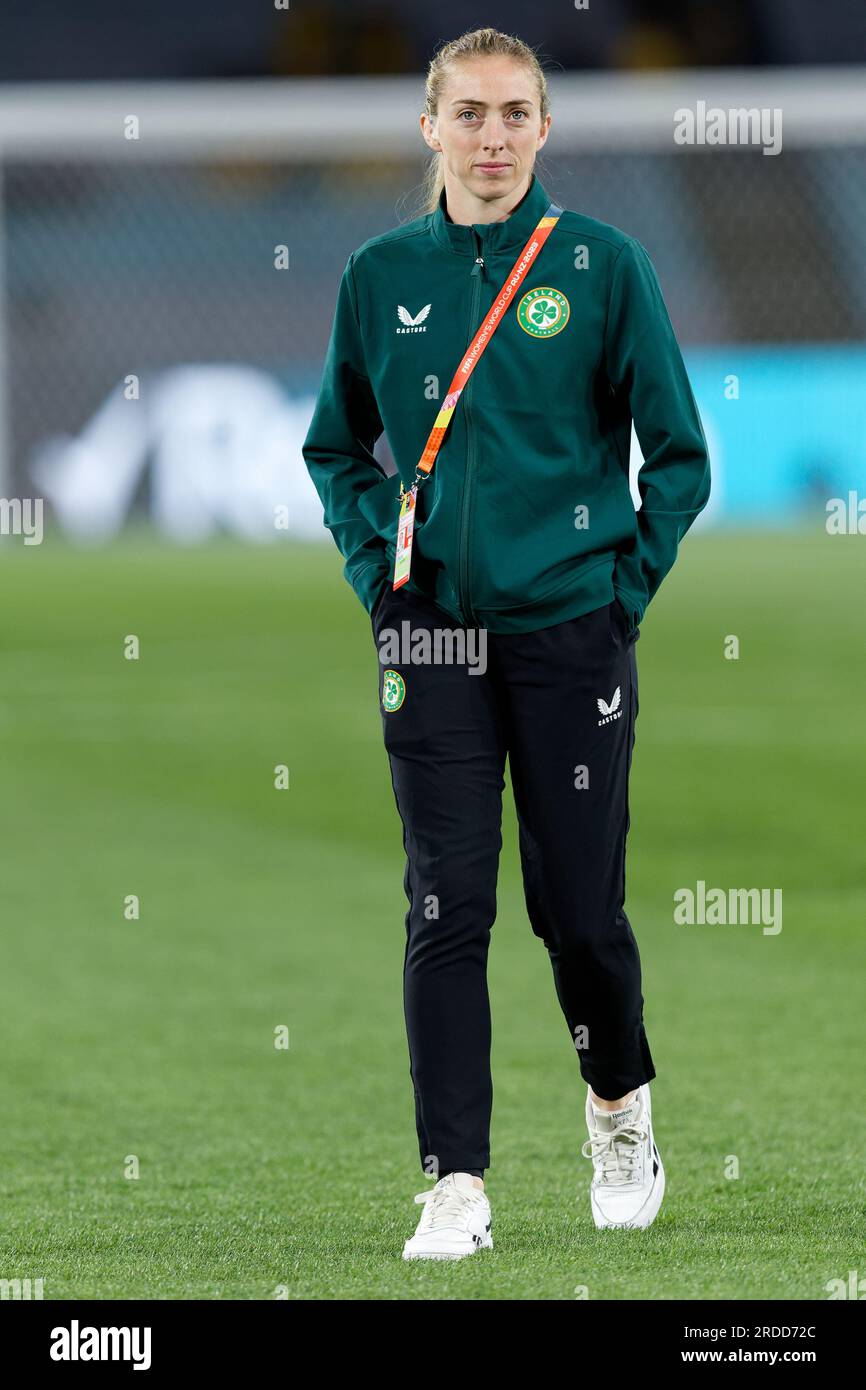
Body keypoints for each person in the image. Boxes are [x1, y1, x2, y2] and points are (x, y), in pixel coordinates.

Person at [302, 26, 711, 1260]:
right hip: (428, 639)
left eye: (513, 114)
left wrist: (616, 592)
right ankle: (455, 1182)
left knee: (579, 914)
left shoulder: (602, 265)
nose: (490, 137)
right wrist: (381, 574)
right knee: (445, 903)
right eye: (467, 114)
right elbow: (336, 449)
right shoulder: (378, 274)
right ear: (428, 126)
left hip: (568, 636)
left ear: (544, 129)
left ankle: (616, 1107)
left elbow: (680, 459)